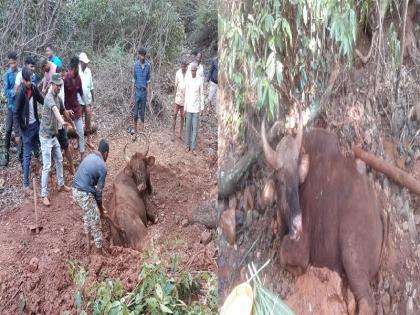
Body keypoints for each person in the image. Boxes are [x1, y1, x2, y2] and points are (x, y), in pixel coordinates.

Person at [39, 73, 72, 206]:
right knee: (47, 166)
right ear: (52, 84)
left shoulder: (58, 98)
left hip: (53, 136)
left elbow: (63, 110)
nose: (59, 87)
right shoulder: (48, 97)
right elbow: (55, 111)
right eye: (57, 85)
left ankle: (61, 184)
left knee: (59, 159)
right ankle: (43, 195)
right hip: (46, 137)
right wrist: (62, 122)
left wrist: (69, 118)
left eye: (60, 85)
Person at [72, 139, 109, 255]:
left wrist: (100, 206)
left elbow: (90, 185)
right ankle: (99, 252)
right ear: (106, 153)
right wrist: (101, 211)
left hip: (75, 190)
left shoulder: (89, 156)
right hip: (84, 193)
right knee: (96, 220)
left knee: (89, 215)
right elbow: (98, 193)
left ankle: (88, 245)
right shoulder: (102, 167)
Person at [13, 67, 44, 194]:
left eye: (30, 80)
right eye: (27, 81)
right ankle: (26, 185)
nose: (29, 82)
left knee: (43, 145)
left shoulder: (34, 88)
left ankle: (45, 170)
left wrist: (51, 104)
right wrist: (17, 133)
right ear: (23, 80)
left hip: (36, 124)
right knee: (27, 156)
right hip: (26, 129)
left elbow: (41, 100)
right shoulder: (20, 92)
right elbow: (15, 113)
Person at [64, 57, 89, 160]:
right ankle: (67, 157)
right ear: (71, 68)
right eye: (73, 69)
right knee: (66, 135)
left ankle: (82, 157)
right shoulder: (65, 79)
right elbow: (62, 96)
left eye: (76, 68)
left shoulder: (78, 78)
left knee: (81, 133)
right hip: (67, 111)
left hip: (76, 109)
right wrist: (64, 111)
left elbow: (81, 93)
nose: (74, 71)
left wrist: (87, 104)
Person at [1, 52, 20, 167]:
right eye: (10, 63)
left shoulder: (22, 72)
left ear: (16, 61)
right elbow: (6, 91)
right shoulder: (7, 75)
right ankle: (6, 156)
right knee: (8, 130)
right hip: (11, 107)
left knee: (20, 131)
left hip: (21, 107)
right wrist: (14, 91)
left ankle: (21, 155)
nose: (12, 65)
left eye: (14, 62)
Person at [184, 62, 204, 155]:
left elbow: (201, 94)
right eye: (191, 70)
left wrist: (202, 107)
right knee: (188, 128)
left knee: (195, 128)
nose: (192, 72)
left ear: (196, 71)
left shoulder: (200, 80)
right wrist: (185, 107)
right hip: (189, 107)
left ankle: (193, 148)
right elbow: (186, 94)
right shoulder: (188, 80)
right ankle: (187, 145)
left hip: (196, 108)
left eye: (194, 70)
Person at [130, 47, 151, 134]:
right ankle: (135, 129)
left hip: (144, 92)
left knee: (142, 111)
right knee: (135, 113)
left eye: (143, 55)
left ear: (145, 56)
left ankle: (142, 129)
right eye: (140, 55)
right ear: (138, 55)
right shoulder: (135, 65)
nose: (141, 57)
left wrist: (149, 94)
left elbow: (148, 81)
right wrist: (132, 95)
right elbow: (133, 80)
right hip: (137, 91)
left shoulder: (148, 66)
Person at [77, 52, 95, 149]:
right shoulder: (76, 71)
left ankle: (88, 140)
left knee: (88, 121)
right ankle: (77, 141)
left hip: (88, 101)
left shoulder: (89, 71)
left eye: (86, 62)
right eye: (84, 62)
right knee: (78, 121)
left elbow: (91, 86)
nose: (86, 64)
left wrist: (93, 100)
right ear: (80, 62)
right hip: (78, 102)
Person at [171, 59, 188, 142]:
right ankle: (173, 134)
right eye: (182, 66)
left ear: (187, 66)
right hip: (177, 98)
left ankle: (180, 134)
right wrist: (173, 98)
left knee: (182, 117)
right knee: (174, 115)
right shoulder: (178, 73)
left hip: (185, 99)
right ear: (181, 65)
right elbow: (175, 86)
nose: (183, 67)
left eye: (185, 66)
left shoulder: (188, 74)